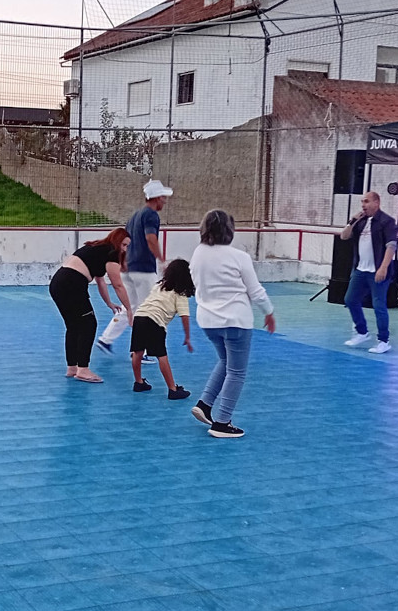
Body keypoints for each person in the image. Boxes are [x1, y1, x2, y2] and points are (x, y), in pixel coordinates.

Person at [190, 210, 275, 439]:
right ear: (230, 230)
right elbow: (256, 291)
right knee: (237, 372)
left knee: (225, 361)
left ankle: (205, 404)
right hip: (236, 321)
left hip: (208, 321)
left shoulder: (198, 254)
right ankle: (222, 422)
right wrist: (269, 312)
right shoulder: (239, 257)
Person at [96, 179, 172, 361]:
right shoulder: (151, 215)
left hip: (128, 269)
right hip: (144, 270)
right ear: (156, 198)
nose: (164, 201)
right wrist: (161, 260)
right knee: (148, 310)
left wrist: (123, 263)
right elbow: (151, 238)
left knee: (130, 307)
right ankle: (141, 351)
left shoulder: (134, 217)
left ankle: (106, 339)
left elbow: (125, 242)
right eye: (163, 197)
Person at [48, 228, 134, 383]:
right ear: (116, 241)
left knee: (74, 326)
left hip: (57, 283)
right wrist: (129, 309)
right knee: (89, 323)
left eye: (127, 246)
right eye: (124, 245)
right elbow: (118, 285)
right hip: (71, 283)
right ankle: (83, 369)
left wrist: (109, 303)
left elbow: (101, 281)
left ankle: (72, 367)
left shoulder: (96, 248)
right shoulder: (111, 252)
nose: (124, 249)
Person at [339, 191, 398, 354]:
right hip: (360, 270)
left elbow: (391, 246)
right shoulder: (361, 221)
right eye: (362, 202)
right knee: (350, 300)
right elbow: (344, 236)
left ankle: (384, 341)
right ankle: (362, 332)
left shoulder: (387, 221)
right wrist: (352, 221)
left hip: (377, 271)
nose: (363, 205)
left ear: (376, 203)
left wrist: (384, 267)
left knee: (379, 305)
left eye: (366, 201)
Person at [130, 258, 195, 399]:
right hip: (155, 321)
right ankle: (172, 389)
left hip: (139, 316)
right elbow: (185, 317)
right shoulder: (180, 294)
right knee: (161, 355)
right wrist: (188, 337)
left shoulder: (159, 286)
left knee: (138, 351)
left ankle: (138, 382)